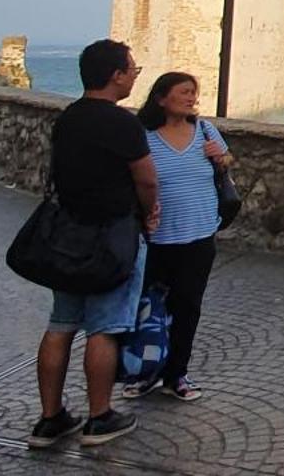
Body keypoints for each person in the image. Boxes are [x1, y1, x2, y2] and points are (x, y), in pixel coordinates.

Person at [28, 39, 159, 451]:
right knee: (105, 327)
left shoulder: (69, 118)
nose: (135, 75)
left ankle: (50, 419)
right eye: (132, 69)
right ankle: (99, 417)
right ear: (116, 75)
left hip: (68, 235)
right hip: (111, 235)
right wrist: (150, 212)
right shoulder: (122, 124)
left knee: (61, 325)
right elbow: (147, 178)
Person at [125, 72, 232, 401]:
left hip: (199, 236)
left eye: (193, 93)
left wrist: (221, 158)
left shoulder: (204, 130)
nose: (190, 98)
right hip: (156, 240)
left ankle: (177, 374)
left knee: (187, 307)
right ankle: (145, 372)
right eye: (183, 92)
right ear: (161, 98)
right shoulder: (143, 136)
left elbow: (227, 163)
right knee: (149, 309)